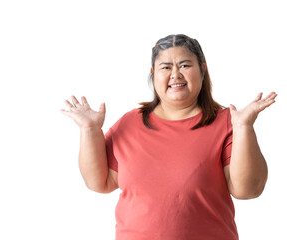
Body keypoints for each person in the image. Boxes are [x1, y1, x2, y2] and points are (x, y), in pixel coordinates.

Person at [60, 34, 277, 240]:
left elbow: (248, 190)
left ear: (202, 70)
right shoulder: (129, 123)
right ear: (153, 73)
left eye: (185, 65)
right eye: (166, 67)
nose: (175, 74)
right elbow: (99, 182)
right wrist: (89, 131)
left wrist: (244, 127)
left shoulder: (227, 123)